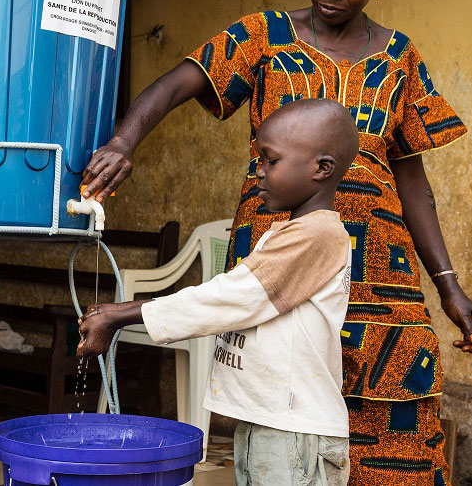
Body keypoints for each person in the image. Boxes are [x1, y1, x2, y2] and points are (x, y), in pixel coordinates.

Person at [79, 0, 472, 486]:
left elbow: (413, 182)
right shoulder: (263, 36)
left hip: (381, 272)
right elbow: (175, 85)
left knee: (393, 411)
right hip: (280, 250)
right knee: (282, 399)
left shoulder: (400, 58)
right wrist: (124, 142)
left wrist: (449, 286)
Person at [79, 98, 359, 486]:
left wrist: (123, 313)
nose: (258, 172)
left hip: (293, 431)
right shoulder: (293, 233)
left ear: (321, 168)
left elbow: (231, 298)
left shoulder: (317, 235)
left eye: (270, 160)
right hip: (268, 420)